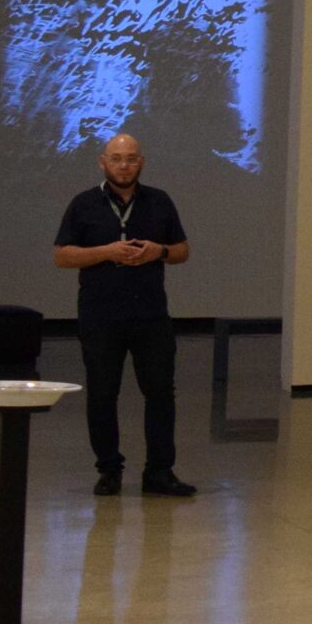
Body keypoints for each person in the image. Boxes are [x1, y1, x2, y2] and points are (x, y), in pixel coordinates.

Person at [52, 132, 194, 497]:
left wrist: (159, 251)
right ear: (103, 162)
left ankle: (159, 471)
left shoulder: (159, 201)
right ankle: (109, 470)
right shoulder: (84, 204)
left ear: (141, 162)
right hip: (101, 316)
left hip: (150, 315)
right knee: (102, 394)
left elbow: (182, 250)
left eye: (131, 158)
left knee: (160, 392)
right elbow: (62, 256)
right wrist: (107, 252)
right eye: (116, 158)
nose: (124, 165)